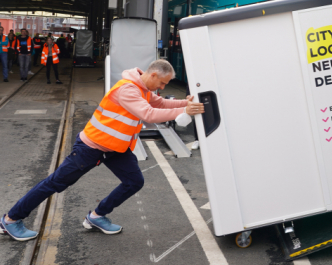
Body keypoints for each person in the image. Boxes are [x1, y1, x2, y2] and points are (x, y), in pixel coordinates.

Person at [0, 60, 204, 241]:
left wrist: (185, 103)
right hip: (92, 147)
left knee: (134, 182)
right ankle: (10, 219)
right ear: (152, 75)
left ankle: (97, 216)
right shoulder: (128, 89)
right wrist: (184, 110)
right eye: (162, 83)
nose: (163, 87)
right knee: (55, 183)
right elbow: (149, 114)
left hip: (115, 148)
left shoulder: (143, 88)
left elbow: (159, 102)